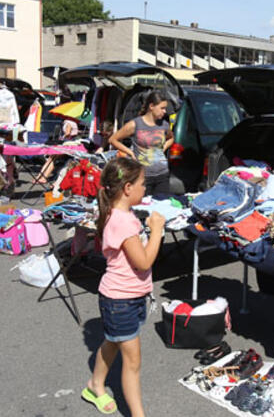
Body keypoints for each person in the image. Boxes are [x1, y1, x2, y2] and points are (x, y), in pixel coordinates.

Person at [81, 157, 165, 416]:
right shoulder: (124, 221)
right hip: (121, 301)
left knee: (113, 342)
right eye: (142, 184)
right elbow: (143, 261)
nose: (145, 189)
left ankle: (95, 384)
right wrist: (157, 230)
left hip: (123, 298)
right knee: (132, 362)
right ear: (127, 188)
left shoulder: (118, 213)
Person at [109, 91, 174, 195]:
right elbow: (113, 140)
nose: (165, 111)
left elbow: (171, 138)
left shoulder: (164, 125)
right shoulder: (135, 124)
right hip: (143, 177)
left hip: (162, 175)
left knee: (162, 207)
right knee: (143, 208)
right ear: (152, 106)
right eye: (162, 108)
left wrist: (163, 148)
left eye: (165, 108)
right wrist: (130, 153)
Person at [33, 118, 79, 183]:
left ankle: (42, 177)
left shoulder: (68, 122)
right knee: (51, 158)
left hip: (68, 145)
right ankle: (41, 176)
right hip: (70, 144)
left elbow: (68, 133)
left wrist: (62, 137)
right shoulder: (72, 122)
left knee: (52, 158)